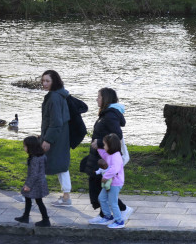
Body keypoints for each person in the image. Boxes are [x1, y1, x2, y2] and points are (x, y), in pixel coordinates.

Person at [83, 87, 132, 224]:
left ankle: (113, 212)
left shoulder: (110, 115)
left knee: (100, 184)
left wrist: (99, 142)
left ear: (106, 98)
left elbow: (117, 136)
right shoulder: (107, 113)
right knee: (98, 184)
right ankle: (108, 213)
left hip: (104, 156)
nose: (96, 99)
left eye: (98, 96)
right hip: (100, 155)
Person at [40, 70, 72, 207]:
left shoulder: (54, 97)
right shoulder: (59, 95)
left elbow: (56, 122)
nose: (44, 83)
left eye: (47, 81)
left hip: (55, 137)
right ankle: (66, 196)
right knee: (61, 165)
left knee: (40, 163)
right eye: (43, 81)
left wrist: (47, 139)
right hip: (60, 136)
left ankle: (29, 192)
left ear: (54, 81)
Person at [15, 136, 50, 227]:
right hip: (40, 181)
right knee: (28, 198)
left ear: (30, 147)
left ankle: (46, 220)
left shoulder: (35, 159)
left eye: (25, 146)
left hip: (35, 183)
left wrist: (28, 185)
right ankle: (25, 216)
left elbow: (34, 174)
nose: (24, 148)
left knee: (38, 201)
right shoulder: (42, 156)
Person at [94, 133, 126, 229]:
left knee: (113, 202)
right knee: (102, 198)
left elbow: (115, 168)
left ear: (110, 145)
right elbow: (104, 155)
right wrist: (98, 148)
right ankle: (108, 216)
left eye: (104, 145)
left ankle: (119, 221)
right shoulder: (109, 154)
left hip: (115, 183)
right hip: (110, 183)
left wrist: (106, 177)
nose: (104, 146)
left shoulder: (116, 156)